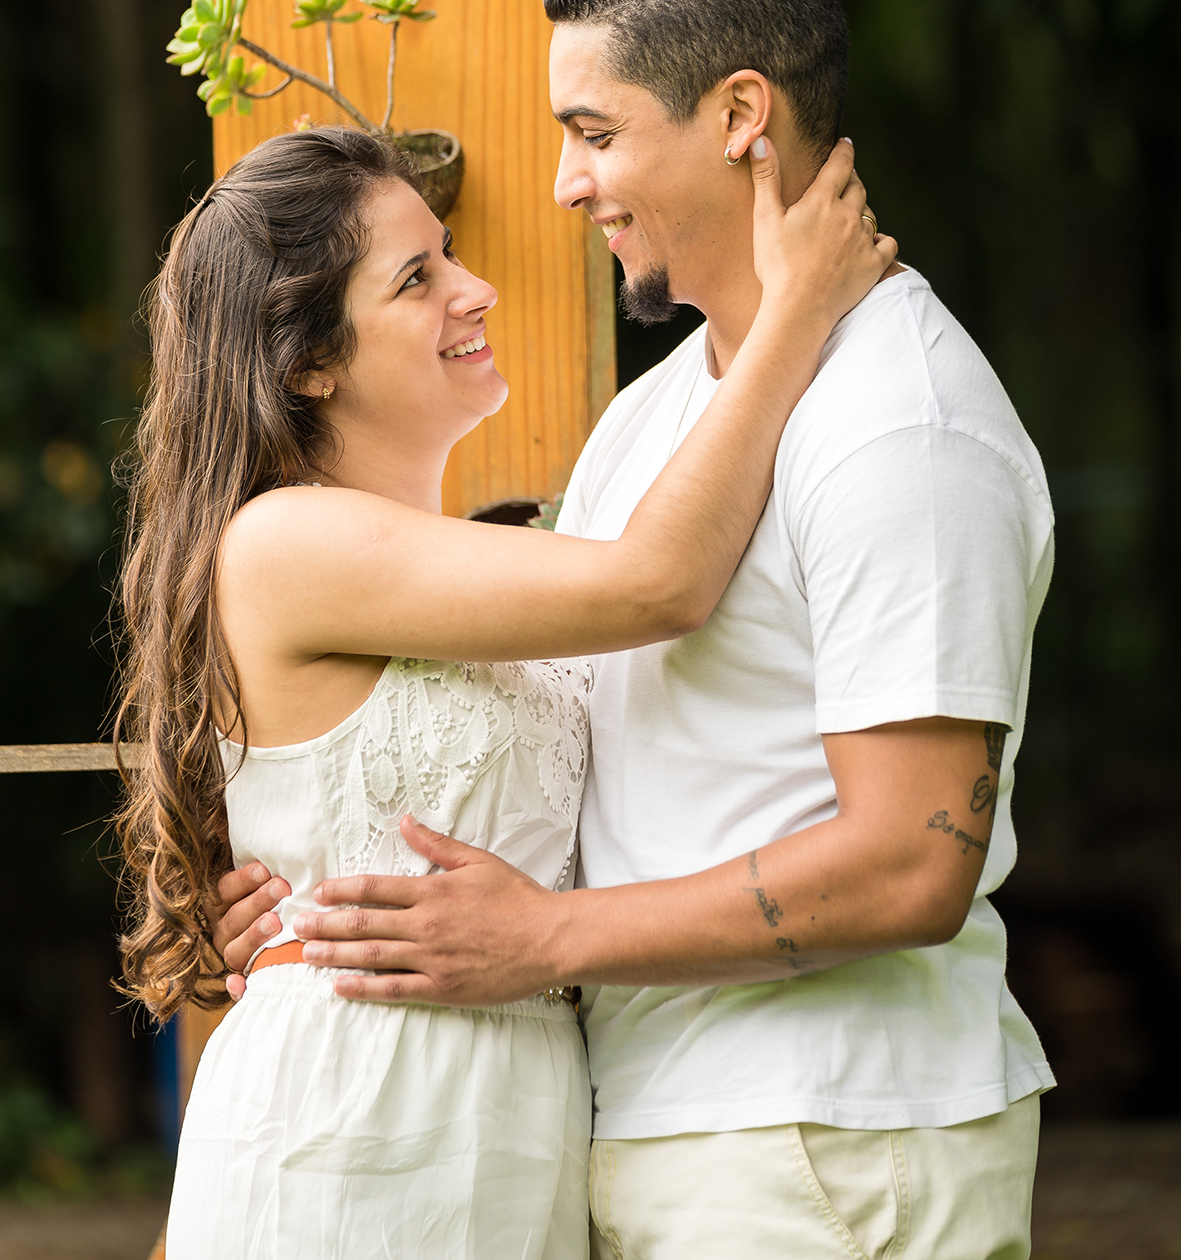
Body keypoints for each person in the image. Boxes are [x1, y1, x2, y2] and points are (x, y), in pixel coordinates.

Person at [216, 0, 1057, 1260]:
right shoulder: (660, 423)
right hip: (643, 1136)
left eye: (593, 134)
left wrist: (547, 940)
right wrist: (302, 877)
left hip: (827, 1143)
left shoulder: (899, 419)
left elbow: (914, 861)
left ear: (737, 116)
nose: (562, 185)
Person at [115, 118, 891, 1257]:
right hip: (357, 1113)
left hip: (515, 1123)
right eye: (417, 277)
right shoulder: (282, 542)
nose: (475, 289)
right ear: (307, 361)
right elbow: (659, 582)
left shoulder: (473, 571)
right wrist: (794, 313)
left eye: (450, 254)